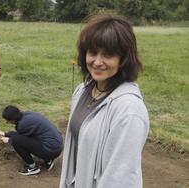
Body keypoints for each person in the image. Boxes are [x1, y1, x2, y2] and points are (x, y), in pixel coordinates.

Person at [59, 15, 149, 188]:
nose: (97, 62)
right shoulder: (82, 91)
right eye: (92, 52)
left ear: (123, 59)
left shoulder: (129, 111)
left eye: (108, 55)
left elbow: (120, 178)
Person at [0, 105, 63, 176]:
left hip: (50, 150)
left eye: (7, 121)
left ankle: (33, 168)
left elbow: (19, 139)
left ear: (12, 119)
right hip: (57, 146)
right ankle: (48, 160)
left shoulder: (23, 125)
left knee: (15, 141)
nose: (7, 122)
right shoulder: (27, 115)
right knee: (19, 139)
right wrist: (5, 134)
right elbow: (21, 135)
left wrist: (9, 140)